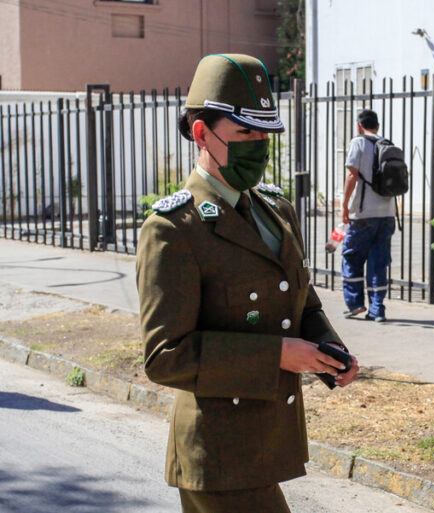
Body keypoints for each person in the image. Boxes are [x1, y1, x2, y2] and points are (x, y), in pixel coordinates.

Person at [136, 53, 359, 513]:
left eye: (265, 134)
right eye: (245, 133)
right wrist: (276, 355)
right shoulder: (174, 228)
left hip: (266, 442)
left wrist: (328, 352)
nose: (259, 145)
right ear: (202, 133)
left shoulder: (275, 210)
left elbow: (300, 299)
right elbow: (165, 356)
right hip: (217, 454)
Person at [340, 109, 396, 322]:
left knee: (352, 257)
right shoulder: (387, 144)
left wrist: (345, 205)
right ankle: (377, 310)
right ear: (378, 126)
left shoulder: (358, 142)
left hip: (363, 214)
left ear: (359, 126)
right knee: (378, 262)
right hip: (387, 213)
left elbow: (352, 175)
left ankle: (355, 304)